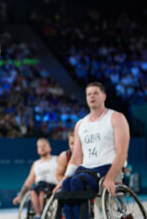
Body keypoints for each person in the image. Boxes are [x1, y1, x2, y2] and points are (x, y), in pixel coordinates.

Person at [53, 82, 130, 219]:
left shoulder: (116, 118)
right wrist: (63, 178)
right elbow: (76, 158)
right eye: (89, 94)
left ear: (104, 96)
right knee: (66, 184)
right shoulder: (80, 124)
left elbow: (122, 152)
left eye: (95, 93)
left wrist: (111, 177)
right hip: (85, 169)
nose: (92, 96)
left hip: (107, 167)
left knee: (77, 183)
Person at [12, 138, 58, 219]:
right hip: (39, 186)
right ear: (37, 150)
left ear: (50, 148)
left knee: (42, 192)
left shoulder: (56, 160)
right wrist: (20, 197)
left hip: (52, 187)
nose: (42, 148)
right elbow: (29, 182)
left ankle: (42, 213)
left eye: (44, 146)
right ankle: (38, 214)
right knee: (33, 191)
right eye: (39, 147)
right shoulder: (36, 164)